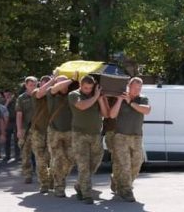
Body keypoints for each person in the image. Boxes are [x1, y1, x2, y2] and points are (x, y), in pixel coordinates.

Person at [108, 77, 151, 202]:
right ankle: (126, 190)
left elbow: (147, 110)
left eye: (139, 88)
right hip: (121, 136)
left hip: (137, 136)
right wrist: (120, 100)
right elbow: (112, 115)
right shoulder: (121, 97)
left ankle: (117, 181)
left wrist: (131, 102)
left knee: (137, 162)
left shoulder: (142, 99)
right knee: (125, 164)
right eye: (135, 87)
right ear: (129, 86)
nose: (137, 90)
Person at [69, 75, 110, 204]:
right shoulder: (74, 94)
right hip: (79, 135)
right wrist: (95, 97)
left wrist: (101, 99)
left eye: (90, 88)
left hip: (95, 134)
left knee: (96, 161)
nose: (88, 90)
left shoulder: (96, 96)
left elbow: (105, 114)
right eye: (85, 88)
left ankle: (79, 184)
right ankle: (86, 194)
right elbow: (82, 106)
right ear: (80, 85)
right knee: (83, 165)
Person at [46, 75, 76, 197]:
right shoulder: (51, 93)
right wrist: (72, 80)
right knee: (58, 159)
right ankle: (59, 186)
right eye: (61, 83)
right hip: (55, 131)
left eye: (65, 83)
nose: (64, 85)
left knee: (70, 159)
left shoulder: (72, 95)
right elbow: (56, 87)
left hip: (70, 132)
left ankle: (54, 174)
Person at [28, 75, 55, 192]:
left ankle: (52, 180)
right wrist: (53, 80)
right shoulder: (36, 92)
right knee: (40, 159)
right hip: (38, 131)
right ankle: (44, 183)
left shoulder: (55, 94)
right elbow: (40, 93)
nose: (47, 86)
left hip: (52, 131)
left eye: (48, 84)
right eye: (44, 84)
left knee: (53, 158)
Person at [15, 77, 38, 183]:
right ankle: (28, 174)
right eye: (31, 85)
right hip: (25, 129)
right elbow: (19, 114)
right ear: (26, 85)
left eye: (35, 84)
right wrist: (19, 130)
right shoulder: (21, 98)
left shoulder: (40, 95)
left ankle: (42, 174)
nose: (33, 87)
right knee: (25, 152)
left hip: (38, 129)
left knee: (41, 153)